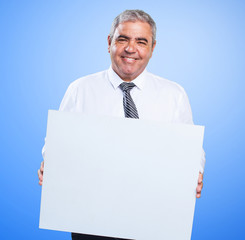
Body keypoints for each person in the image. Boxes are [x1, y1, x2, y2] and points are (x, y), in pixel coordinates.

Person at [38, 9, 205, 240]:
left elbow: (192, 150)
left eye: (141, 41)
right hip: (91, 219)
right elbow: (56, 143)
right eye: (123, 39)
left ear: (152, 48)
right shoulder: (80, 89)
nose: (130, 48)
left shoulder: (173, 94)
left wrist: (195, 171)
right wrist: (52, 163)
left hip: (154, 217)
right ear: (109, 43)